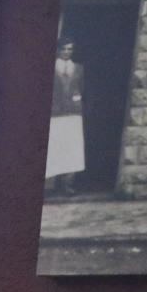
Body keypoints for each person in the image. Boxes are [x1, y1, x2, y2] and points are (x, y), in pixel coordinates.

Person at [46, 36, 86, 195]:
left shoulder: (78, 68)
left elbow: (81, 90)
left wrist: (77, 101)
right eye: (64, 48)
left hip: (72, 114)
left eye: (70, 49)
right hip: (54, 113)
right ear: (58, 50)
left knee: (71, 148)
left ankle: (67, 184)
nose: (67, 52)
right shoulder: (51, 66)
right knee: (53, 147)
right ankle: (48, 185)